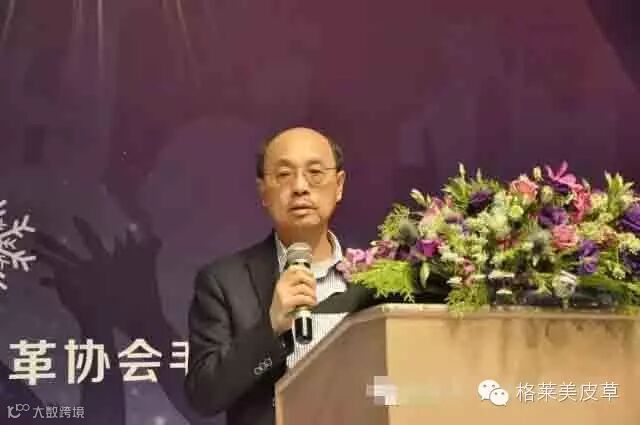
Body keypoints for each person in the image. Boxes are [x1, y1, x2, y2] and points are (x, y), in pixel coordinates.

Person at [185, 127, 352, 425]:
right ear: (263, 191)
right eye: (284, 175)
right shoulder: (224, 282)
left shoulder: (374, 277)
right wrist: (269, 329)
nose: (300, 187)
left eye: (315, 173)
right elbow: (204, 394)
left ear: (338, 185)